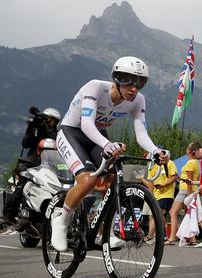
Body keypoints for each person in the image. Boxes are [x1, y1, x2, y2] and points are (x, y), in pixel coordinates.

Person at [51, 56, 168, 252]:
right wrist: (108, 145)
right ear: (117, 79)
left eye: (140, 83)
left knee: (114, 180)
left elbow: (141, 133)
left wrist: (156, 151)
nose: (134, 88)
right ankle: (61, 220)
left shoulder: (138, 100)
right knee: (87, 180)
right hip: (72, 132)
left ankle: (103, 233)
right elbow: (87, 124)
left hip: (98, 136)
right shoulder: (95, 88)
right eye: (130, 81)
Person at [174, 142, 202, 247]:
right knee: (189, 214)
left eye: (188, 147)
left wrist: (189, 196)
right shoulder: (195, 162)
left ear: (191, 151)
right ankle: (192, 238)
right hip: (189, 189)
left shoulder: (190, 163)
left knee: (173, 212)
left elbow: (190, 181)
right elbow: (193, 179)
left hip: (185, 190)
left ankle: (173, 237)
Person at [146, 152, 179, 243]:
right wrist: (150, 194)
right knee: (157, 215)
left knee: (157, 213)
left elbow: (174, 177)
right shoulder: (152, 165)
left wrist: (163, 185)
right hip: (156, 194)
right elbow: (150, 181)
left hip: (167, 194)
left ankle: (150, 236)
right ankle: (163, 234)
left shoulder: (170, 163)